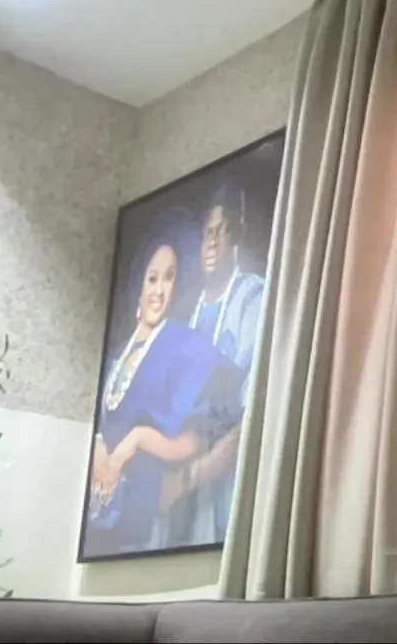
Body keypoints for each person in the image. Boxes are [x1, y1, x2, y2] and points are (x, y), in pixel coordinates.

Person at [83, 208, 242, 559]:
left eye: (169, 278)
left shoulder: (185, 348)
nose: (158, 291)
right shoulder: (114, 360)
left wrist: (135, 441)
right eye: (152, 279)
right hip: (97, 524)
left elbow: (193, 442)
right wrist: (99, 445)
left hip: (145, 522)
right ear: (138, 288)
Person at [161, 184, 266, 543]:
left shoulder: (252, 298)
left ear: (237, 238)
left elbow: (254, 416)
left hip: (225, 499)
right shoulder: (186, 315)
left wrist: (187, 479)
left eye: (222, 232)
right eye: (208, 232)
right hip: (181, 504)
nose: (213, 242)